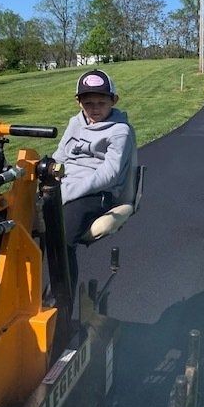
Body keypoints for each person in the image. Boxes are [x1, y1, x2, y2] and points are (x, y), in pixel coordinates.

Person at [52, 69, 134, 296]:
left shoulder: (120, 131)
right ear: (79, 103)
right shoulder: (74, 123)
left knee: (63, 238)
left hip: (97, 194)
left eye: (101, 102)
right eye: (89, 103)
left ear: (113, 101)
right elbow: (60, 156)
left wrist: (67, 191)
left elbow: (109, 175)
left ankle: (62, 305)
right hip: (65, 186)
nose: (95, 108)